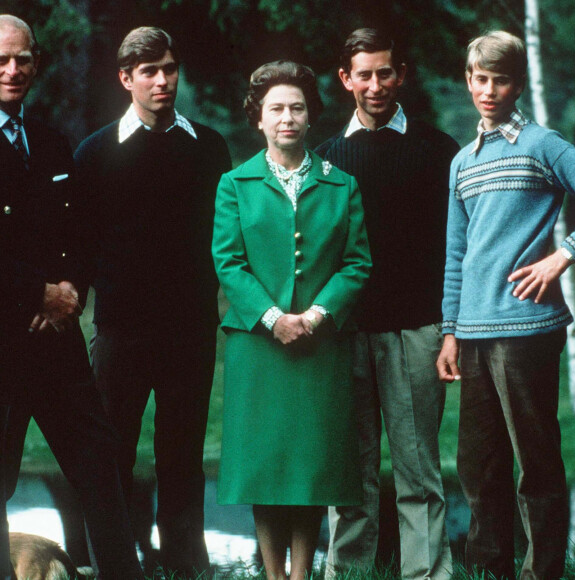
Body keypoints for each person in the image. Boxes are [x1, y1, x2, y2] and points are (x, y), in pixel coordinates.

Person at [74, 27, 231, 576]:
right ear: (125, 79)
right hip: (120, 332)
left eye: (168, 68)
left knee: (181, 458)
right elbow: (82, 246)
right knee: (111, 454)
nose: (162, 81)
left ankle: (186, 564)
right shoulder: (94, 154)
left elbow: (222, 239)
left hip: (190, 331)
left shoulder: (208, 147)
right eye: (149, 72)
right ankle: (114, 564)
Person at [212, 60, 371, 580]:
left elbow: (356, 262)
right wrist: (274, 317)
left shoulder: (341, 184)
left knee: (311, 467)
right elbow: (229, 262)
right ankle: (273, 576)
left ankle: (302, 575)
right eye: (276, 108)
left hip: (320, 345)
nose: (287, 118)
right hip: (259, 346)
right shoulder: (235, 183)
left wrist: (316, 315)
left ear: (311, 117)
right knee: (265, 467)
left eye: (297, 108)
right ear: (258, 117)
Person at [0, 14, 144, 580]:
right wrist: (36, 295)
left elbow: (82, 235)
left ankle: (120, 573)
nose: (13, 70)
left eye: (23, 59)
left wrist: (71, 291)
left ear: (38, 62)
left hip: (57, 345)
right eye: (2, 60)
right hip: (3, 343)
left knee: (99, 467)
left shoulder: (54, 142)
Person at [436, 30, 575, 580]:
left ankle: (542, 572)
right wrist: (450, 331)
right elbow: (456, 252)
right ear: (468, 81)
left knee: (535, 463)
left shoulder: (543, 145)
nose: (489, 90)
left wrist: (561, 257)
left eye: (500, 80)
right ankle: (488, 571)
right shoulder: (462, 162)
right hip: (471, 332)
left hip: (528, 328)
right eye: (480, 79)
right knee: (479, 466)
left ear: (517, 84)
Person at [315, 28, 458, 580]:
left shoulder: (439, 150)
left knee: (419, 472)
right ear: (345, 79)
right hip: (345, 335)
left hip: (416, 331)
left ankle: (429, 573)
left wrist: (449, 330)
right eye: (364, 74)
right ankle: (348, 572)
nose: (376, 85)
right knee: (351, 474)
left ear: (402, 75)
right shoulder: (326, 159)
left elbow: (456, 248)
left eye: (386, 72)